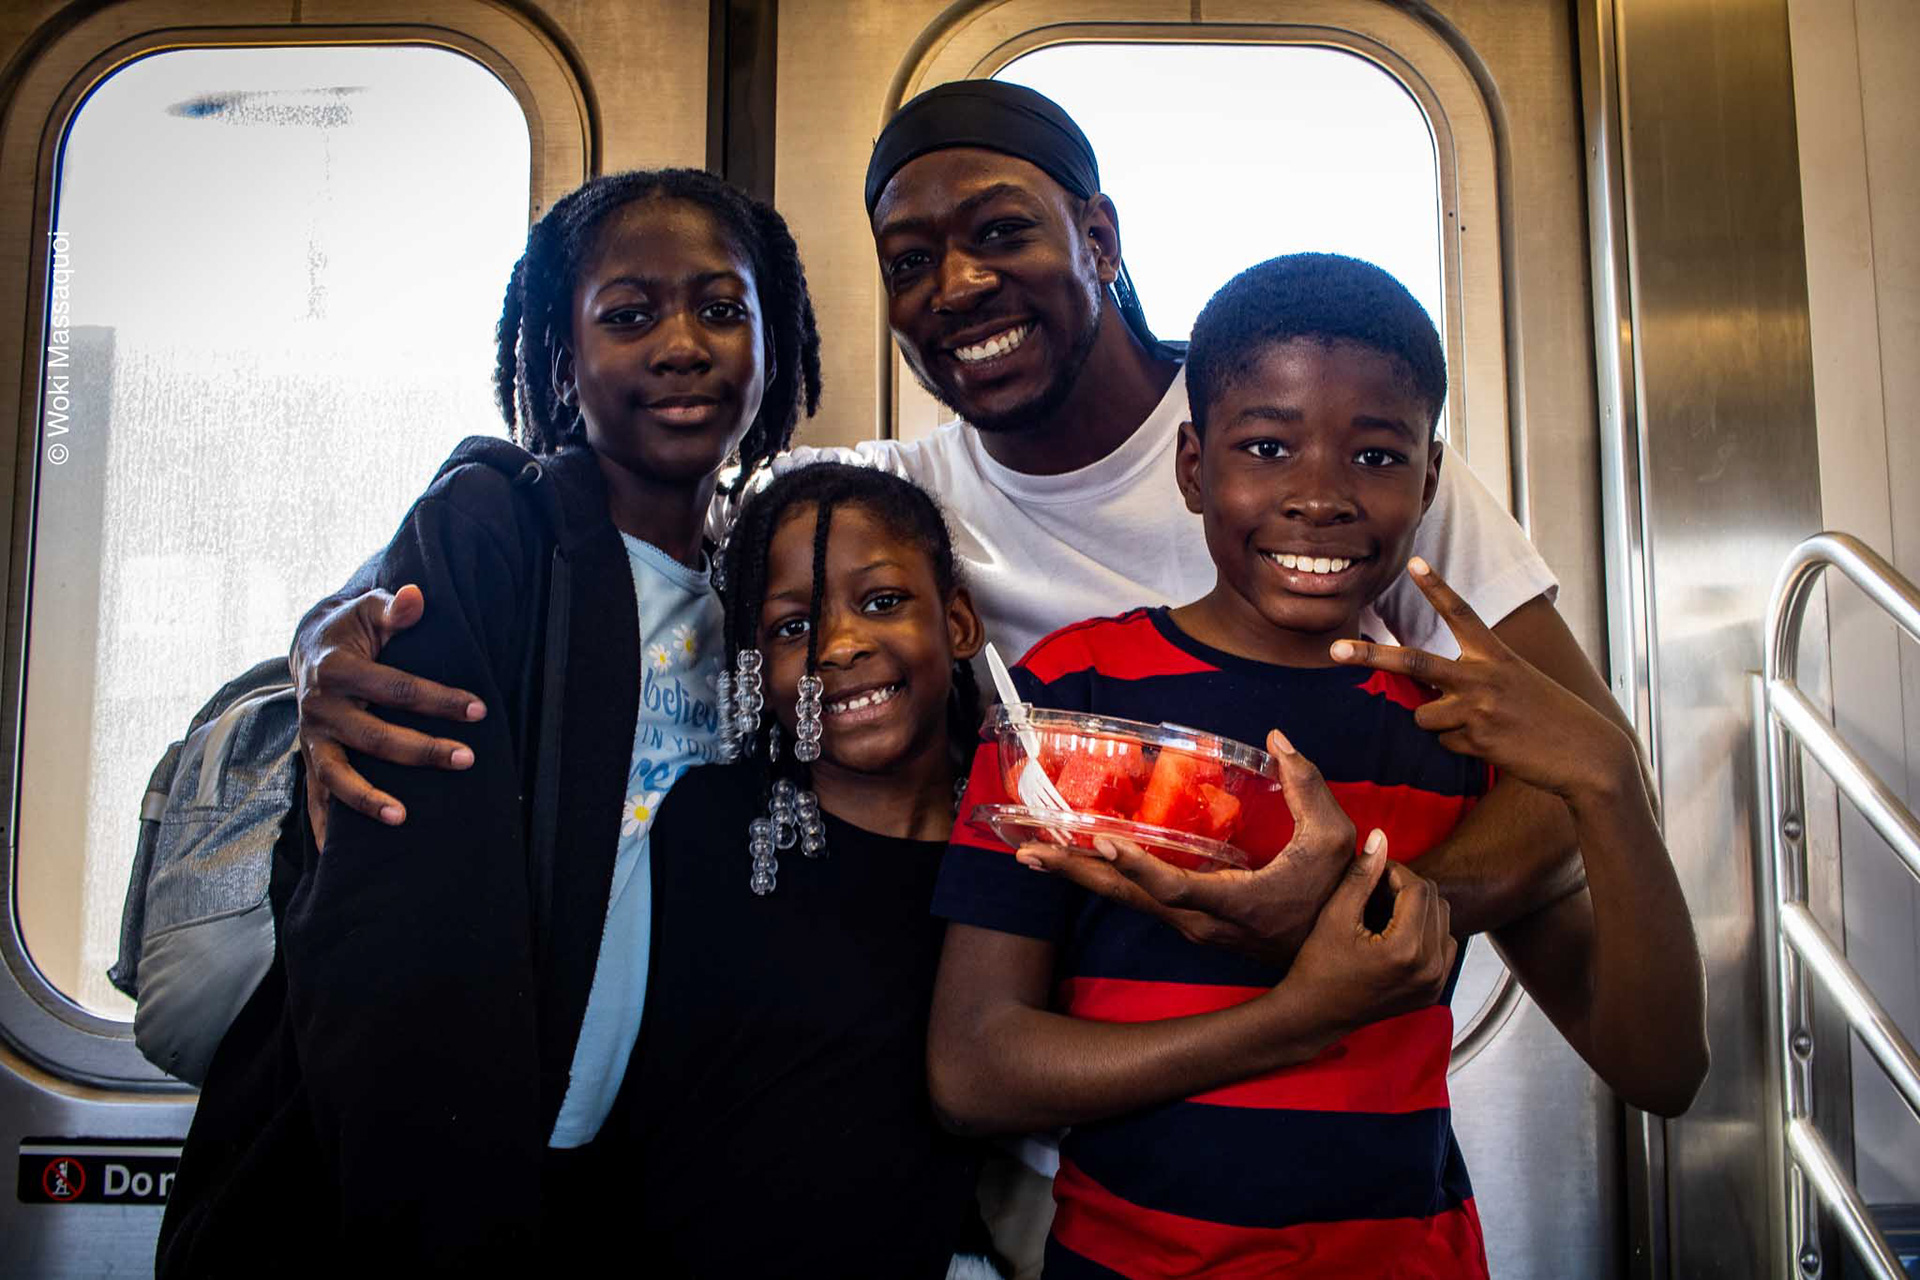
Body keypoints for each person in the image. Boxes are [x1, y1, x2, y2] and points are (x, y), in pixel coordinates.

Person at [927, 253, 1707, 1278]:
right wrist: (1298, 1015)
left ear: (1430, 481)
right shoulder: (1071, 699)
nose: (1322, 496)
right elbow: (975, 1068)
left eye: (1377, 456)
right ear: (1194, 467)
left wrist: (1610, 776)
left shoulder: (1454, 734)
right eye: (1267, 447)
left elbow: (1659, 1068)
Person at [156, 167, 823, 1272]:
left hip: (623, 1174)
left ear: (772, 340)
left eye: (720, 309)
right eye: (628, 316)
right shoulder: (493, 530)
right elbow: (401, 921)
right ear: (561, 361)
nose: (681, 345)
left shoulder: (754, 585)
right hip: (446, 1181)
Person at [580, 461, 1004, 1276]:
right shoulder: (702, 824)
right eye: (791, 627)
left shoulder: (1005, 862)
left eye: (882, 602)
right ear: (753, 666)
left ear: (957, 622)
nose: (839, 646)